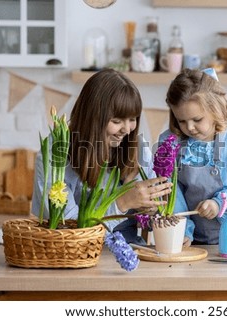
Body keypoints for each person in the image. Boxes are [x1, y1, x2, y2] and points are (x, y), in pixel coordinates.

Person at [31, 68, 172, 243]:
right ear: (92, 117)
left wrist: (151, 209)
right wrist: (123, 203)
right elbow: (69, 228)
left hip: (129, 250)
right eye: (116, 121)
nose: (127, 130)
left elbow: (152, 219)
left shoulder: (138, 148)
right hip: (70, 254)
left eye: (133, 119)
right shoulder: (56, 151)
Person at [162, 68, 227, 246]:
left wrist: (219, 205)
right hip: (194, 243)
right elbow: (172, 192)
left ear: (215, 109)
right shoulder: (172, 144)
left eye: (197, 119)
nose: (190, 127)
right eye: (182, 121)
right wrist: (182, 228)